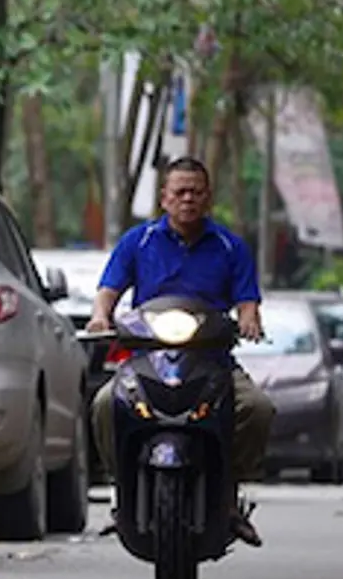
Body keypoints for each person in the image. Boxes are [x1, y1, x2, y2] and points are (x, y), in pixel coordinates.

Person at [87, 156, 273, 547]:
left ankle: (229, 492)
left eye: (196, 192)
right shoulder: (137, 242)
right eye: (180, 192)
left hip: (212, 362)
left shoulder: (230, 246)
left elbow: (247, 302)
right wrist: (101, 316)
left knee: (257, 408)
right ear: (164, 198)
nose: (188, 199)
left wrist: (249, 320)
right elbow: (108, 291)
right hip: (147, 361)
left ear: (208, 199)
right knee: (106, 403)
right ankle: (122, 490)